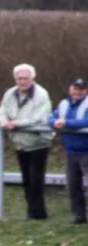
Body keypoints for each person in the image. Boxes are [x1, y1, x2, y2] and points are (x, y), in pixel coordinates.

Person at [0, 63, 53, 221]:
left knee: (36, 180)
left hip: (38, 143)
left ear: (32, 78)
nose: (22, 81)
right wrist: (3, 121)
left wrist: (16, 123)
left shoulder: (41, 95)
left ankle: (38, 214)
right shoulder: (10, 94)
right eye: (19, 78)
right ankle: (33, 212)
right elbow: (1, 111)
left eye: (25, 78)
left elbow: (39, 118)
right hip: (20, 143)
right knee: (26, 179)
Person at [49, 78, 88, 224]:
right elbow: (51, 118)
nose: (77, 92)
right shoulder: (64, 104)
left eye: (80, 89)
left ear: (85, 91)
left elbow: (86, 121)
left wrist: (67, 123)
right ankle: (79, 216)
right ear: (70, 90)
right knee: (73, 186)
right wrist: (55, 122)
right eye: (74, 89)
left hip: (86, 150)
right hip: (70, 151)